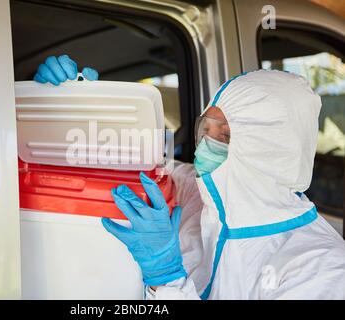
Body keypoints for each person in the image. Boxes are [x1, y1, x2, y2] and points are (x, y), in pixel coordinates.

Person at [34, 55, 345, 299]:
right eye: (205, 129)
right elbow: (139, 169)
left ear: (272, 149)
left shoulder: (320, 267)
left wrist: (167, 280)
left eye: (224, 135)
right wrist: (83, 110)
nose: (206, 147)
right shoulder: (198, 194)